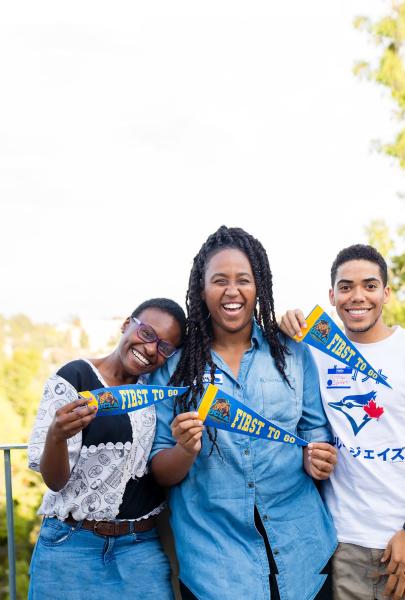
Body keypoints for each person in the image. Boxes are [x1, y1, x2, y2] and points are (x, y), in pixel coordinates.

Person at [150, 226, 338, 600]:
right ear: (201, 290)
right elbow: (160, 469)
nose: (232, 290)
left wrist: (317, 457)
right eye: (219, 280)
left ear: (259, 287)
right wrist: (185, 449)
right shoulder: (173, 371)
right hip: (215, 567)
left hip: (303, 553)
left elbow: (316, 434)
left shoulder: (293, 353)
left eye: (243, 280)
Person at [280, 244, 405, 600]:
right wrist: (282, 319)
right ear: (332, 296)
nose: (358, 296)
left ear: (386, 293)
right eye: (346, 287)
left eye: (369, 285)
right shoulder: (315, 353)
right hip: (344, 545)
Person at [27, 298, 186, 600]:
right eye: (147, 333)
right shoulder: (75, 378)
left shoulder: (157, 391)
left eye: (165, 347)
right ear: (127, 325)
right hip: (72, 546)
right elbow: (55, 481)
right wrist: (57, 436)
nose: (151, 349)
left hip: (140, 550)